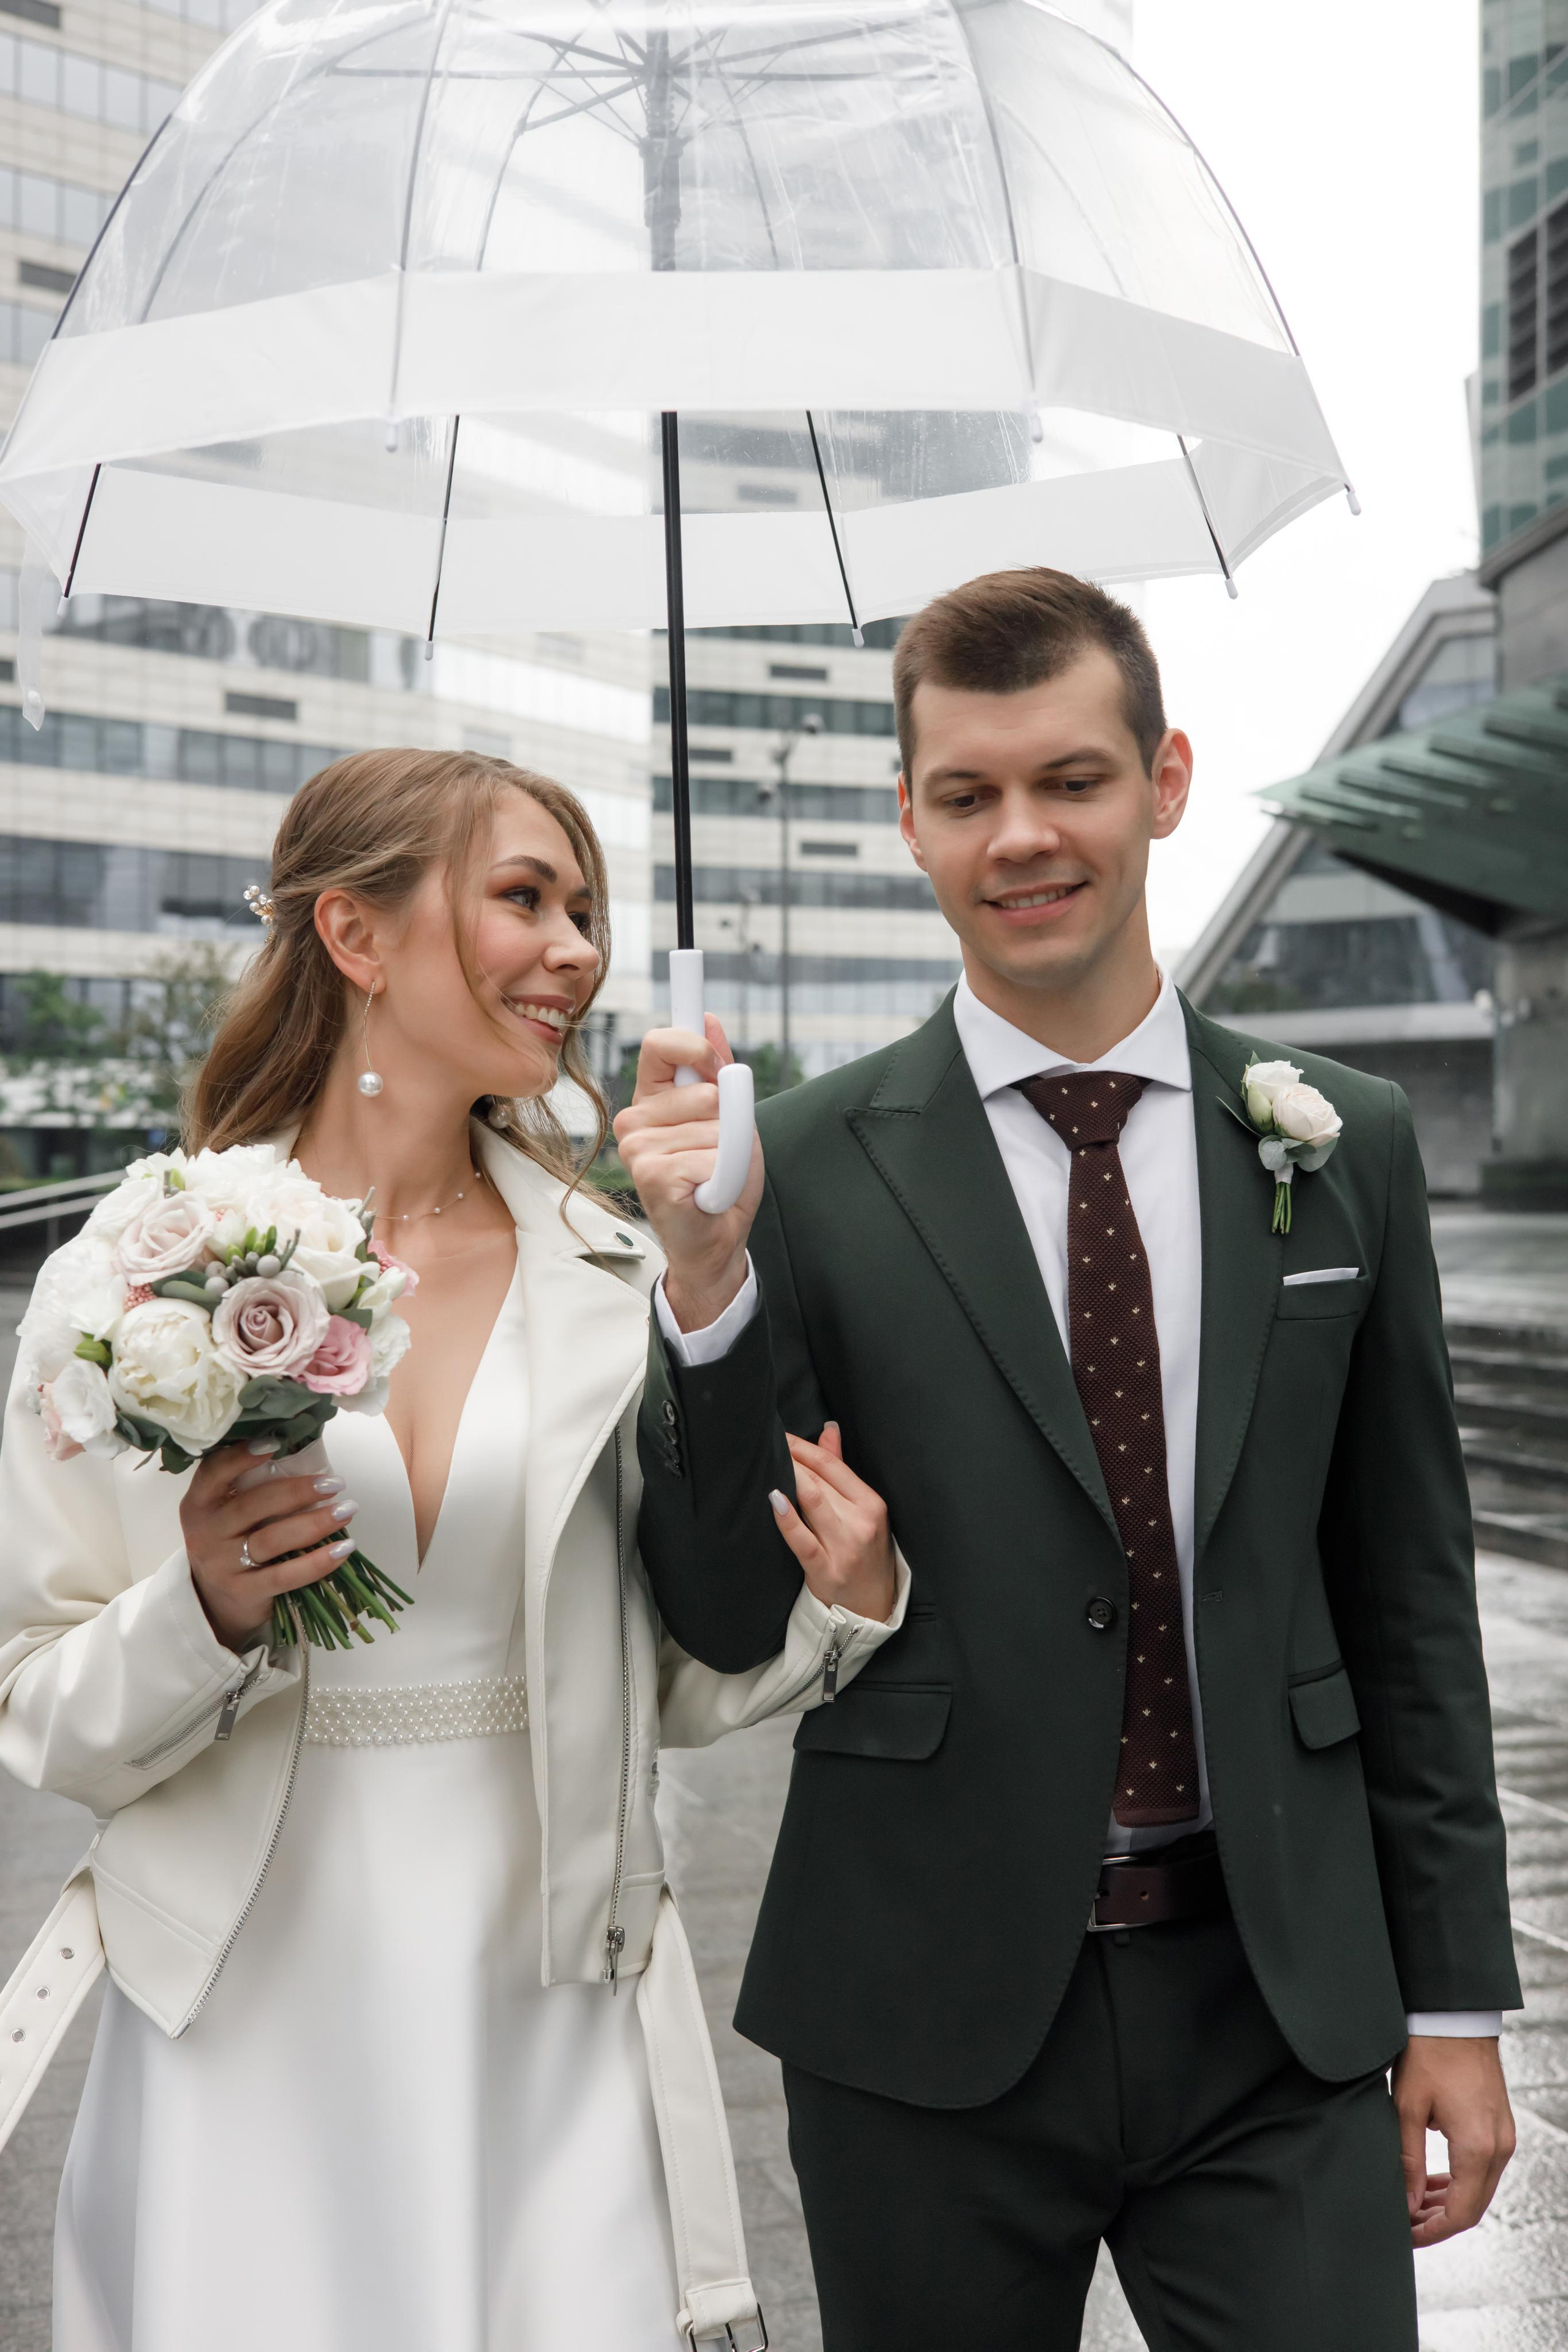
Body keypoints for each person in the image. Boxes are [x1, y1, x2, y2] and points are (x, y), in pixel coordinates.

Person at [617, 570, 1523, 2351]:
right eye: (966, 795)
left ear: (1165, 779)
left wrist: (1462, 2006)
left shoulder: (1349, 1151)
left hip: (1280, 2002)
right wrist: (706, 1284)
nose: (1022, 836)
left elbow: (1410, 1605)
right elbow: (722, 1616)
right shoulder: (784, 1163)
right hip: (923, 2014)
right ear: (911, 821)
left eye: (1072, 781)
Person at [0, 748, 906, 2352]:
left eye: (587, 910)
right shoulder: (137, 1279)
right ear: (355, 935)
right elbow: (41, 1712)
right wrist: (201, 1609)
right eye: (525, 898)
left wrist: (837, 1611)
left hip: (542, 1994)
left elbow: (671, 1685)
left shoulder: (617, 1268)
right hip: (241, 2006)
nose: (577, 950)